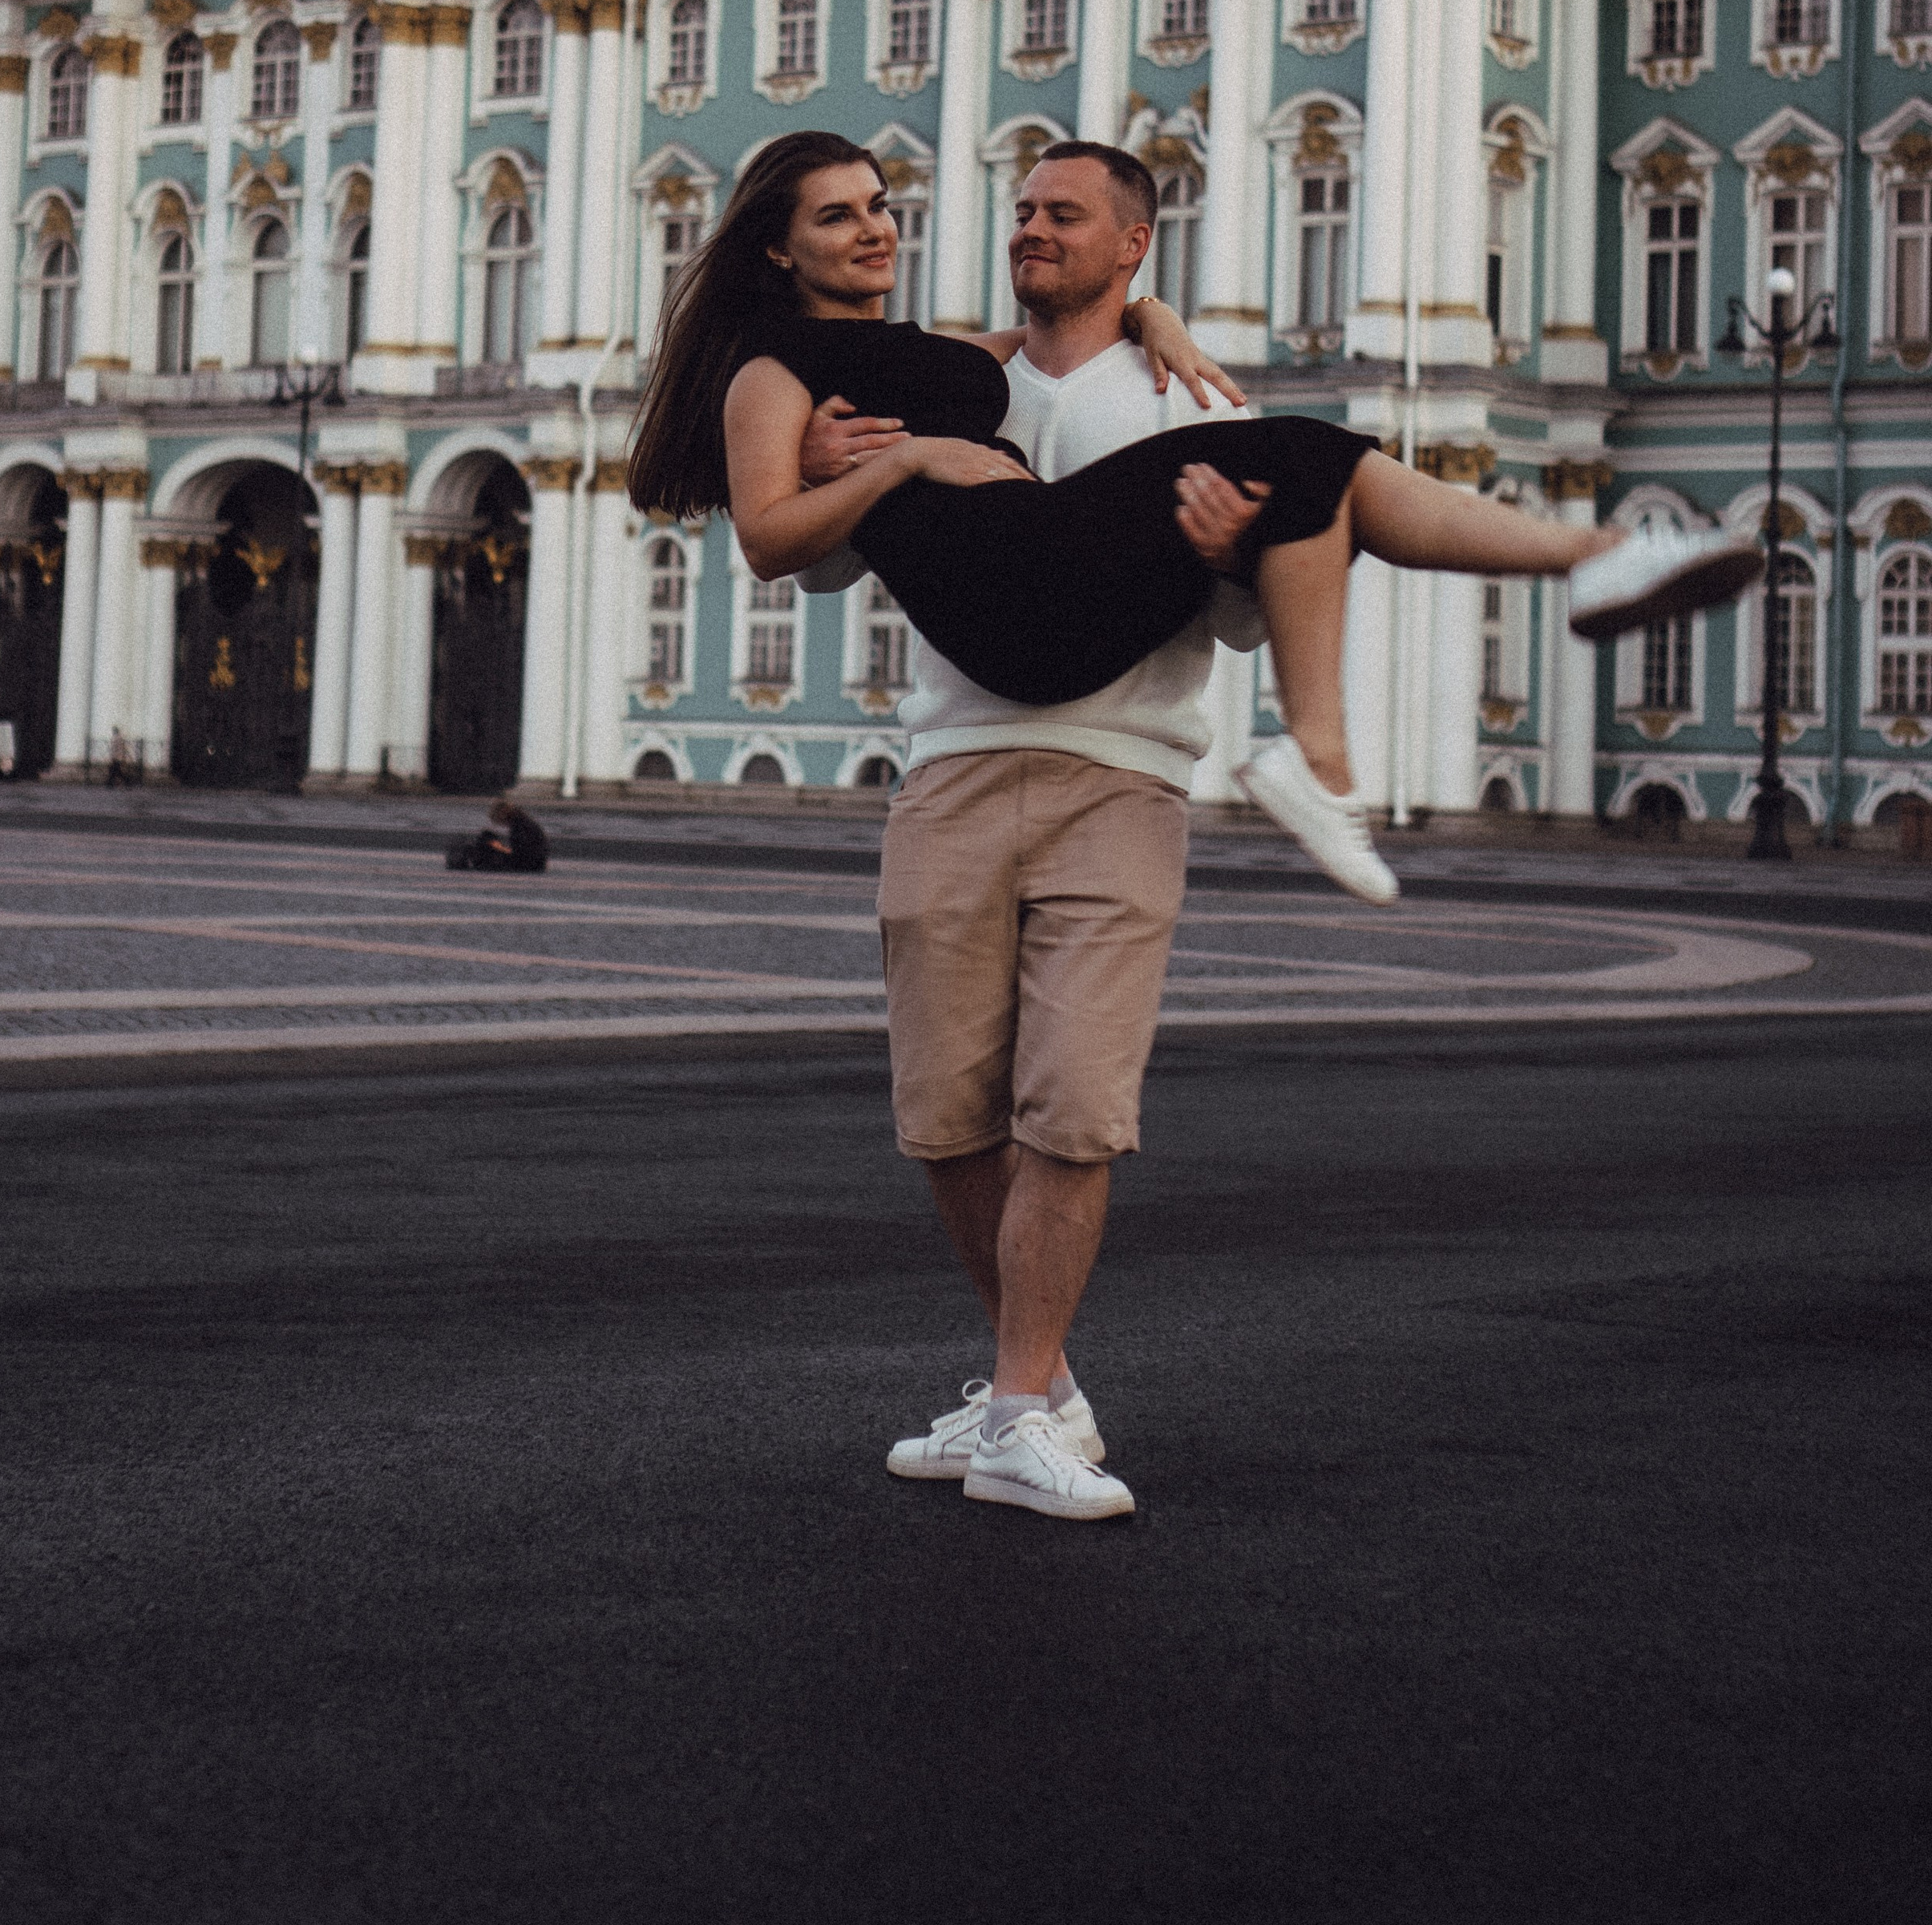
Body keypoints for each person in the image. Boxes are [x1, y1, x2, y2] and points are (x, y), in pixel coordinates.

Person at [627, 131, 1760, 1521]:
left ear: (1131, 250)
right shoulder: (842, 378)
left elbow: (1226, 601)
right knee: (948, 1122)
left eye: (1062, 217)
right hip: (968, 740)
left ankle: (1028, 1399)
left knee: (1075, 1108)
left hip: (1114, 751)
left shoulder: (1136, 388)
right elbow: (785, 546)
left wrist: (1202, 502)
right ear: (778, 244)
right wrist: (905, 460)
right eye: (849, 214)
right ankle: (1020, 1385)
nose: (899, 227)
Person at [446, 796, 549, 874]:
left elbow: (519, 852)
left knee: (486, 841)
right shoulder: (522, 822)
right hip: (534, 862)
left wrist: (498, 847)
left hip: (529, 864)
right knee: (487, 838)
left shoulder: (521, 826)